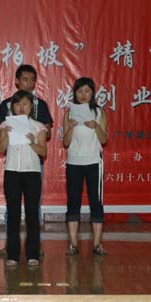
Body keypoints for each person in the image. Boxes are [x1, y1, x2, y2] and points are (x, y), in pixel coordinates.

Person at [0, 64, 54, 251]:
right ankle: (11, 249)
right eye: (24, 79)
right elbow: (0, 145)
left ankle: (34, 248)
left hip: (33, 166)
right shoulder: (6, 106)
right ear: (17, 81)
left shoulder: (40, 106)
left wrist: (35, 137)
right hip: (13, 167)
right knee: (12, 209)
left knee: (33, 209)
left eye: (32, 80)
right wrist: (6, 133)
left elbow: (46, 138)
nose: (28, 83)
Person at [0, 90, 47, 267]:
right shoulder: (5, 125)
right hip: (12, 172)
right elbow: (0, 150)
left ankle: (33, 253)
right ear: (12, 106)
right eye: (17, 104)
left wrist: (33, 142)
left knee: (32, 213)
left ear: (31, 106)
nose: (21, 107)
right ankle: (13, 254)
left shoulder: (38, 126)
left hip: (32, 172)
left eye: (25, 104)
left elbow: (43, 151)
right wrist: (6, 136)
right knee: (13, 213)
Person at [63, 77, 108, 256]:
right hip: (74, 162)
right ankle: (73, 244)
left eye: (87, 91)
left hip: (94, 162)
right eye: (80, 91)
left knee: (96, 203)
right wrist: (70, 127)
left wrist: (96, 126)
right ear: (75, 93)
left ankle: (97, 244)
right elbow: (66, 142)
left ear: (92, 93)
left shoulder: (99, 112)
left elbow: (104, 139)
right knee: (73, 202)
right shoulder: (69, 113)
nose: (83, 95)